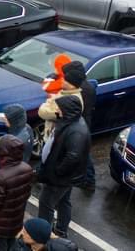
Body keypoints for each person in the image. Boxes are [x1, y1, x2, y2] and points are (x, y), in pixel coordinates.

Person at [37, 96, 90, 238]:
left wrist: (57, 172)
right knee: (63, 201)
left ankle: (42, 237)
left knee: (46, 205)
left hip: (59, 179)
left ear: (67, 110)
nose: (56, 109)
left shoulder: (76, 131)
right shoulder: (70, 121)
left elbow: (73, 156)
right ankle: (60, 230)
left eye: (59, 107)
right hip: (64, 177)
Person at [0, 135, 34, 251]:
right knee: (11, 242)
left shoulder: (1, 176)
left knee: (0, 246)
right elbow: (27, 194)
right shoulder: (27, 169)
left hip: (0, 223)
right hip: (16, 219)